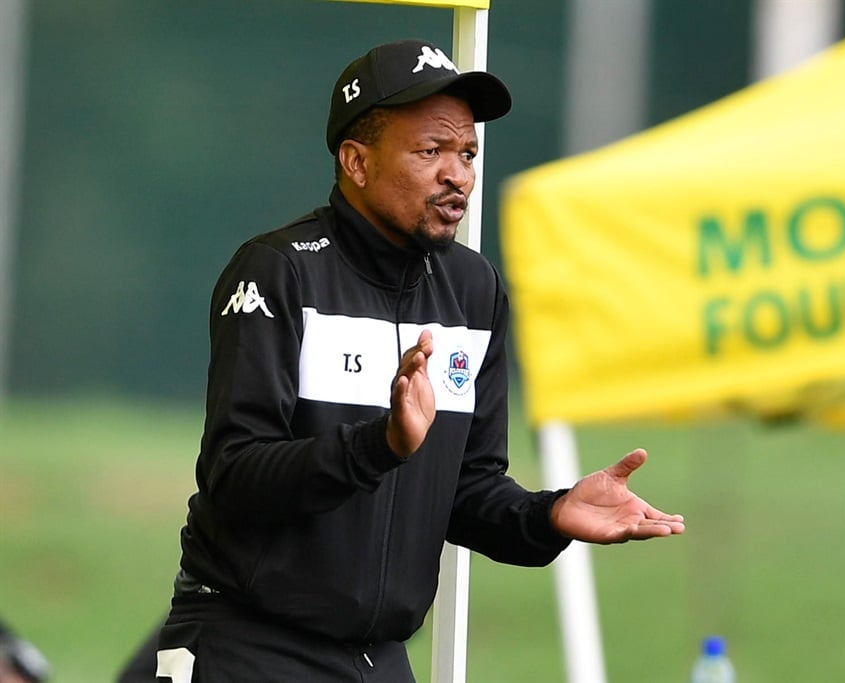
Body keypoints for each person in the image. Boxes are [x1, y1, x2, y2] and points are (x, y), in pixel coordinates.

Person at [152, 38, 685, 682]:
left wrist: (550, 514)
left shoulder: (474, 289)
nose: (457, 174)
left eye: (466, 153)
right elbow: (235, 476)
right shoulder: (279, 271)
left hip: (378, 661)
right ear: (356, 161)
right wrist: (378, 445)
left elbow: (468, 488)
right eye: (430, 151)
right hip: (250, 646)